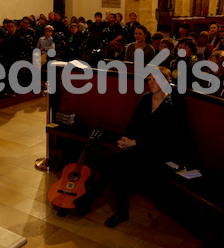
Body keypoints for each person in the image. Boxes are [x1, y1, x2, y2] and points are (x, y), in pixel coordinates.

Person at [73, 66, 187, 227]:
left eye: (155, 79)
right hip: (139, 147)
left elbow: (167, 137)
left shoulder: (173, 103)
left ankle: (91, 198)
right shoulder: (146, 98)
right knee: (120, 164)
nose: (151, 82)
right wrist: (125, 139)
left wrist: (135, 142)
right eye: (149, 79)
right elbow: (133, 124)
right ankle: (119, 210)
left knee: (118, 161)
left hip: (160, 152)